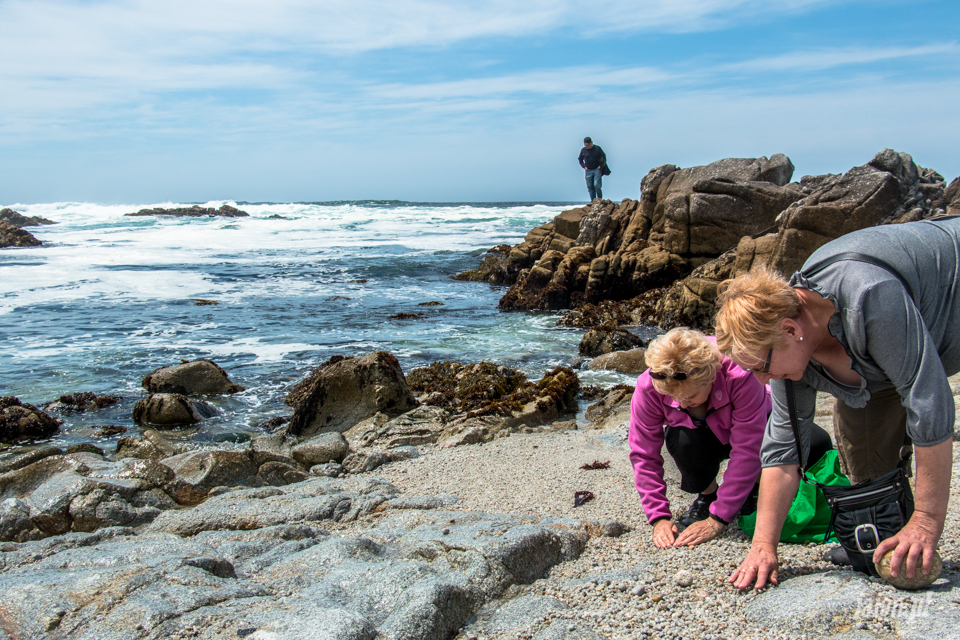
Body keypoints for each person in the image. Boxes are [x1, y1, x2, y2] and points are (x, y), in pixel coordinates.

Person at [715, 215, 960, 590]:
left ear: (791, 330)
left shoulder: (868, 295)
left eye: (761, 368)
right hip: (873, 360)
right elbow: (783, 450)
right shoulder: (790, 351)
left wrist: (926, 522)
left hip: (947, 303)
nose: (761, 381)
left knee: (922, 404)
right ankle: (891, 535)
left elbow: (930, 402)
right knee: (862, 451)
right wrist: (763, 546)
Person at [629, 328, 829, 548]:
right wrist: (658, 517)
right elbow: (643, 454)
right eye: (672, 397)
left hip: (757, 422)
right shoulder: (649, 386)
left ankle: (754, 489)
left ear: (711, 376)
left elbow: (748, 449)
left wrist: (718, 520)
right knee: (681, 440)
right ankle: (708, 495)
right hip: (700, 435)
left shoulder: (739, 373)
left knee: (817, 444)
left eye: (690, 396)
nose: (681, 403)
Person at [578, 137, 606, 201]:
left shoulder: (597, 148)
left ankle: (599, 199)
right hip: (588, 170)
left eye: (588, 144)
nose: (587, 146)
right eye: (586, 145)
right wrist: (584, 166)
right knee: (590, 187)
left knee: (597, 185)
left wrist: (601, 166)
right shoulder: (583, 150)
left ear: (591, 143)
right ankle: (593, 201)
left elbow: (603, 156)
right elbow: (580, 159)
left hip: (597, 169)